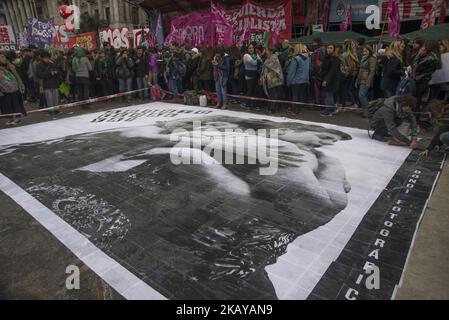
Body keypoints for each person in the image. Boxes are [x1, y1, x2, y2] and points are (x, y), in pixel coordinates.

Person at [411, 40, 442, 115]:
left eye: (425, 46)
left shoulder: (430, 58)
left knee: (416, 102)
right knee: (417, 101)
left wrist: (418, 55)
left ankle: (416, 119)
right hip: (423, 81)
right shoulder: (435, 56)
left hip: (420, 81)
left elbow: (415, 66)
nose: (423, 48)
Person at [0, 51, 26, 125]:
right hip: (4, 90)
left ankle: (18, 118)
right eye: (2, 57)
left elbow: (17, 76)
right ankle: (10, 118)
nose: (4, 59)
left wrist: (20, 84)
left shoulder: (10, 65)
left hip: (14, 89)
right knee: (6, 105)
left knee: (16, 104)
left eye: (4, 57)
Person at [286, 44, 310, 114]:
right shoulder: (308, 58)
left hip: (296, 81)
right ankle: (299, 110)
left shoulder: (296, 58)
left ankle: (294, 110)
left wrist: (288, 81)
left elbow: (291, 71)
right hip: (305, 80)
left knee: (295, 96)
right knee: (301, 96)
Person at [261, 44, 284, 113]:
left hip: (273, 79)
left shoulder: (273, 57)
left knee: (273, 94)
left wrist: (265, 66)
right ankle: (271, 108)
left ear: (271, 51)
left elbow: (273, 68)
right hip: (269, 78)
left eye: (267, 50)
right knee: (271, 94)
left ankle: (272, 109)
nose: (265, 51)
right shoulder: (269, 57)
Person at [356, 45, 377, 117]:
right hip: (362, 79)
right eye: (363, 51)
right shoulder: (363, 58)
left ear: (370, 51)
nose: (364, 52)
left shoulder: (372, 58)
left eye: (366, 51)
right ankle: (366, 111)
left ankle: (367, 112)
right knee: (363, 95)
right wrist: (357, 81)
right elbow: (360, 70)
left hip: (366, 79)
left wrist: (368, 81)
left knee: (361, 95)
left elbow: (372, 71)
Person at [320, 43, 340, 117]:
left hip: (332, 80)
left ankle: (329, 110)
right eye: (328, 47)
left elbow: (333, 71)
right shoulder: (326, 57)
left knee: (329, 95)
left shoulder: (335, 58)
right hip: (326, 78)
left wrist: (326, 80)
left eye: (331, 48)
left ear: (334, 49)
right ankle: (331, 109)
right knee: (328, 95)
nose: (329, 49)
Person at [339, 39, 359, 108]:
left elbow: (342, 67)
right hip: (353, 74)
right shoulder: (354, 54)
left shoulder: (343, 55)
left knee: (344, 90)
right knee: (349, 89)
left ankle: (344, 105)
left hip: (345, 75)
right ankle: (354, 103)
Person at [243, 43, 262, 109]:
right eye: (250, 48)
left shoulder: (255, 55)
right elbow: (254, 63)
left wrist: (257, 59)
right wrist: (257, 59)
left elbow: (261, 62)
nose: (251, 49)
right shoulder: (246, 55)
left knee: (255, 91)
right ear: (247, 49)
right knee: (250, 90)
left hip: (256, 75)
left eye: (252, 48)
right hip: (249, 76)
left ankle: (254, 104)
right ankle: (247, 104)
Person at [310, 38, 324, 105]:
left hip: (317, 73)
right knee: (320, 89)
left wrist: (313, 72)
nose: (312, 44)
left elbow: (315, 64)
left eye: (313, 42)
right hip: (322, 73)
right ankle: (320, 103)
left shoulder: (318, 51)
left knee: (317, 90)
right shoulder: (324, 50)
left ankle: (318, 104)